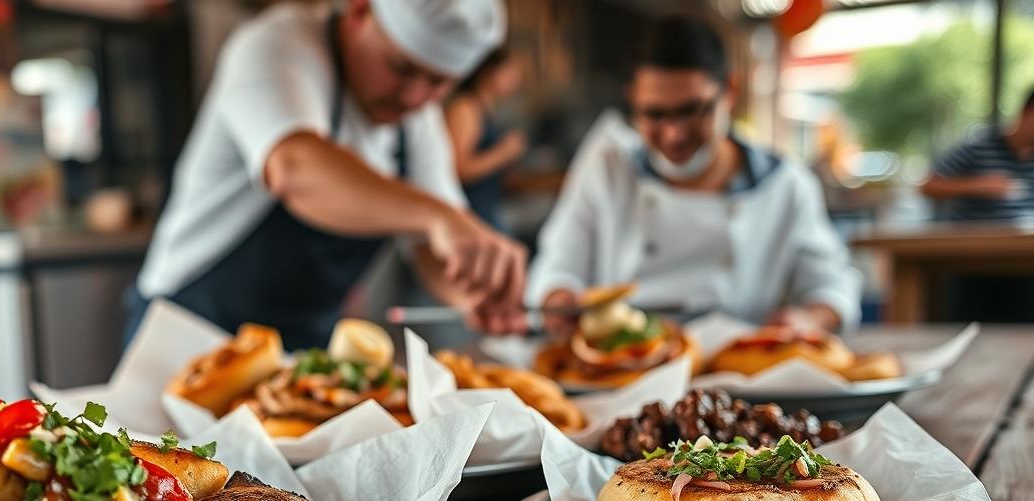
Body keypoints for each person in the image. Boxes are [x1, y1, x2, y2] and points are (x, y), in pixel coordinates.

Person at [136, 0, 527, 350]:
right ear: (360, 11)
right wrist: (443, 217)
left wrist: (472, 291)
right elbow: (296, 169)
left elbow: (432, 248)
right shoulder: (278, 43)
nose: (414, 98)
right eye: (400, 67)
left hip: (303, 347)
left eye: (439, 83)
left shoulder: (416, 121)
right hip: (190, 333)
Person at [528, 16, 861, 337]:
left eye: (691, 110)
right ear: (633, 101)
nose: (674, 134)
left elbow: (831, 286)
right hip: (621, 367)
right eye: (654, 114)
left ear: (729, 91)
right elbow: (557, 265)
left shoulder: (785, 184)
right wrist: (559, 300)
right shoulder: (608, 166)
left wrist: (808, 319)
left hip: (736, 372)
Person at [921, 88, 1034, 222]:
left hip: (1023, 240)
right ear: (1027, 112)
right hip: (976, 239)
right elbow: (928, 186)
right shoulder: (978, 147)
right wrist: (977, 186)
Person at [445, 46, 526, 232]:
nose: (516, 77)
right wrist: (503, 153)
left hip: (488, 208)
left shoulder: (487, 109)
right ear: (489, 72)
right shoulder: (465, 108)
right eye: (509, 70)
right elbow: (458, 169)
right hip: (470, 213)